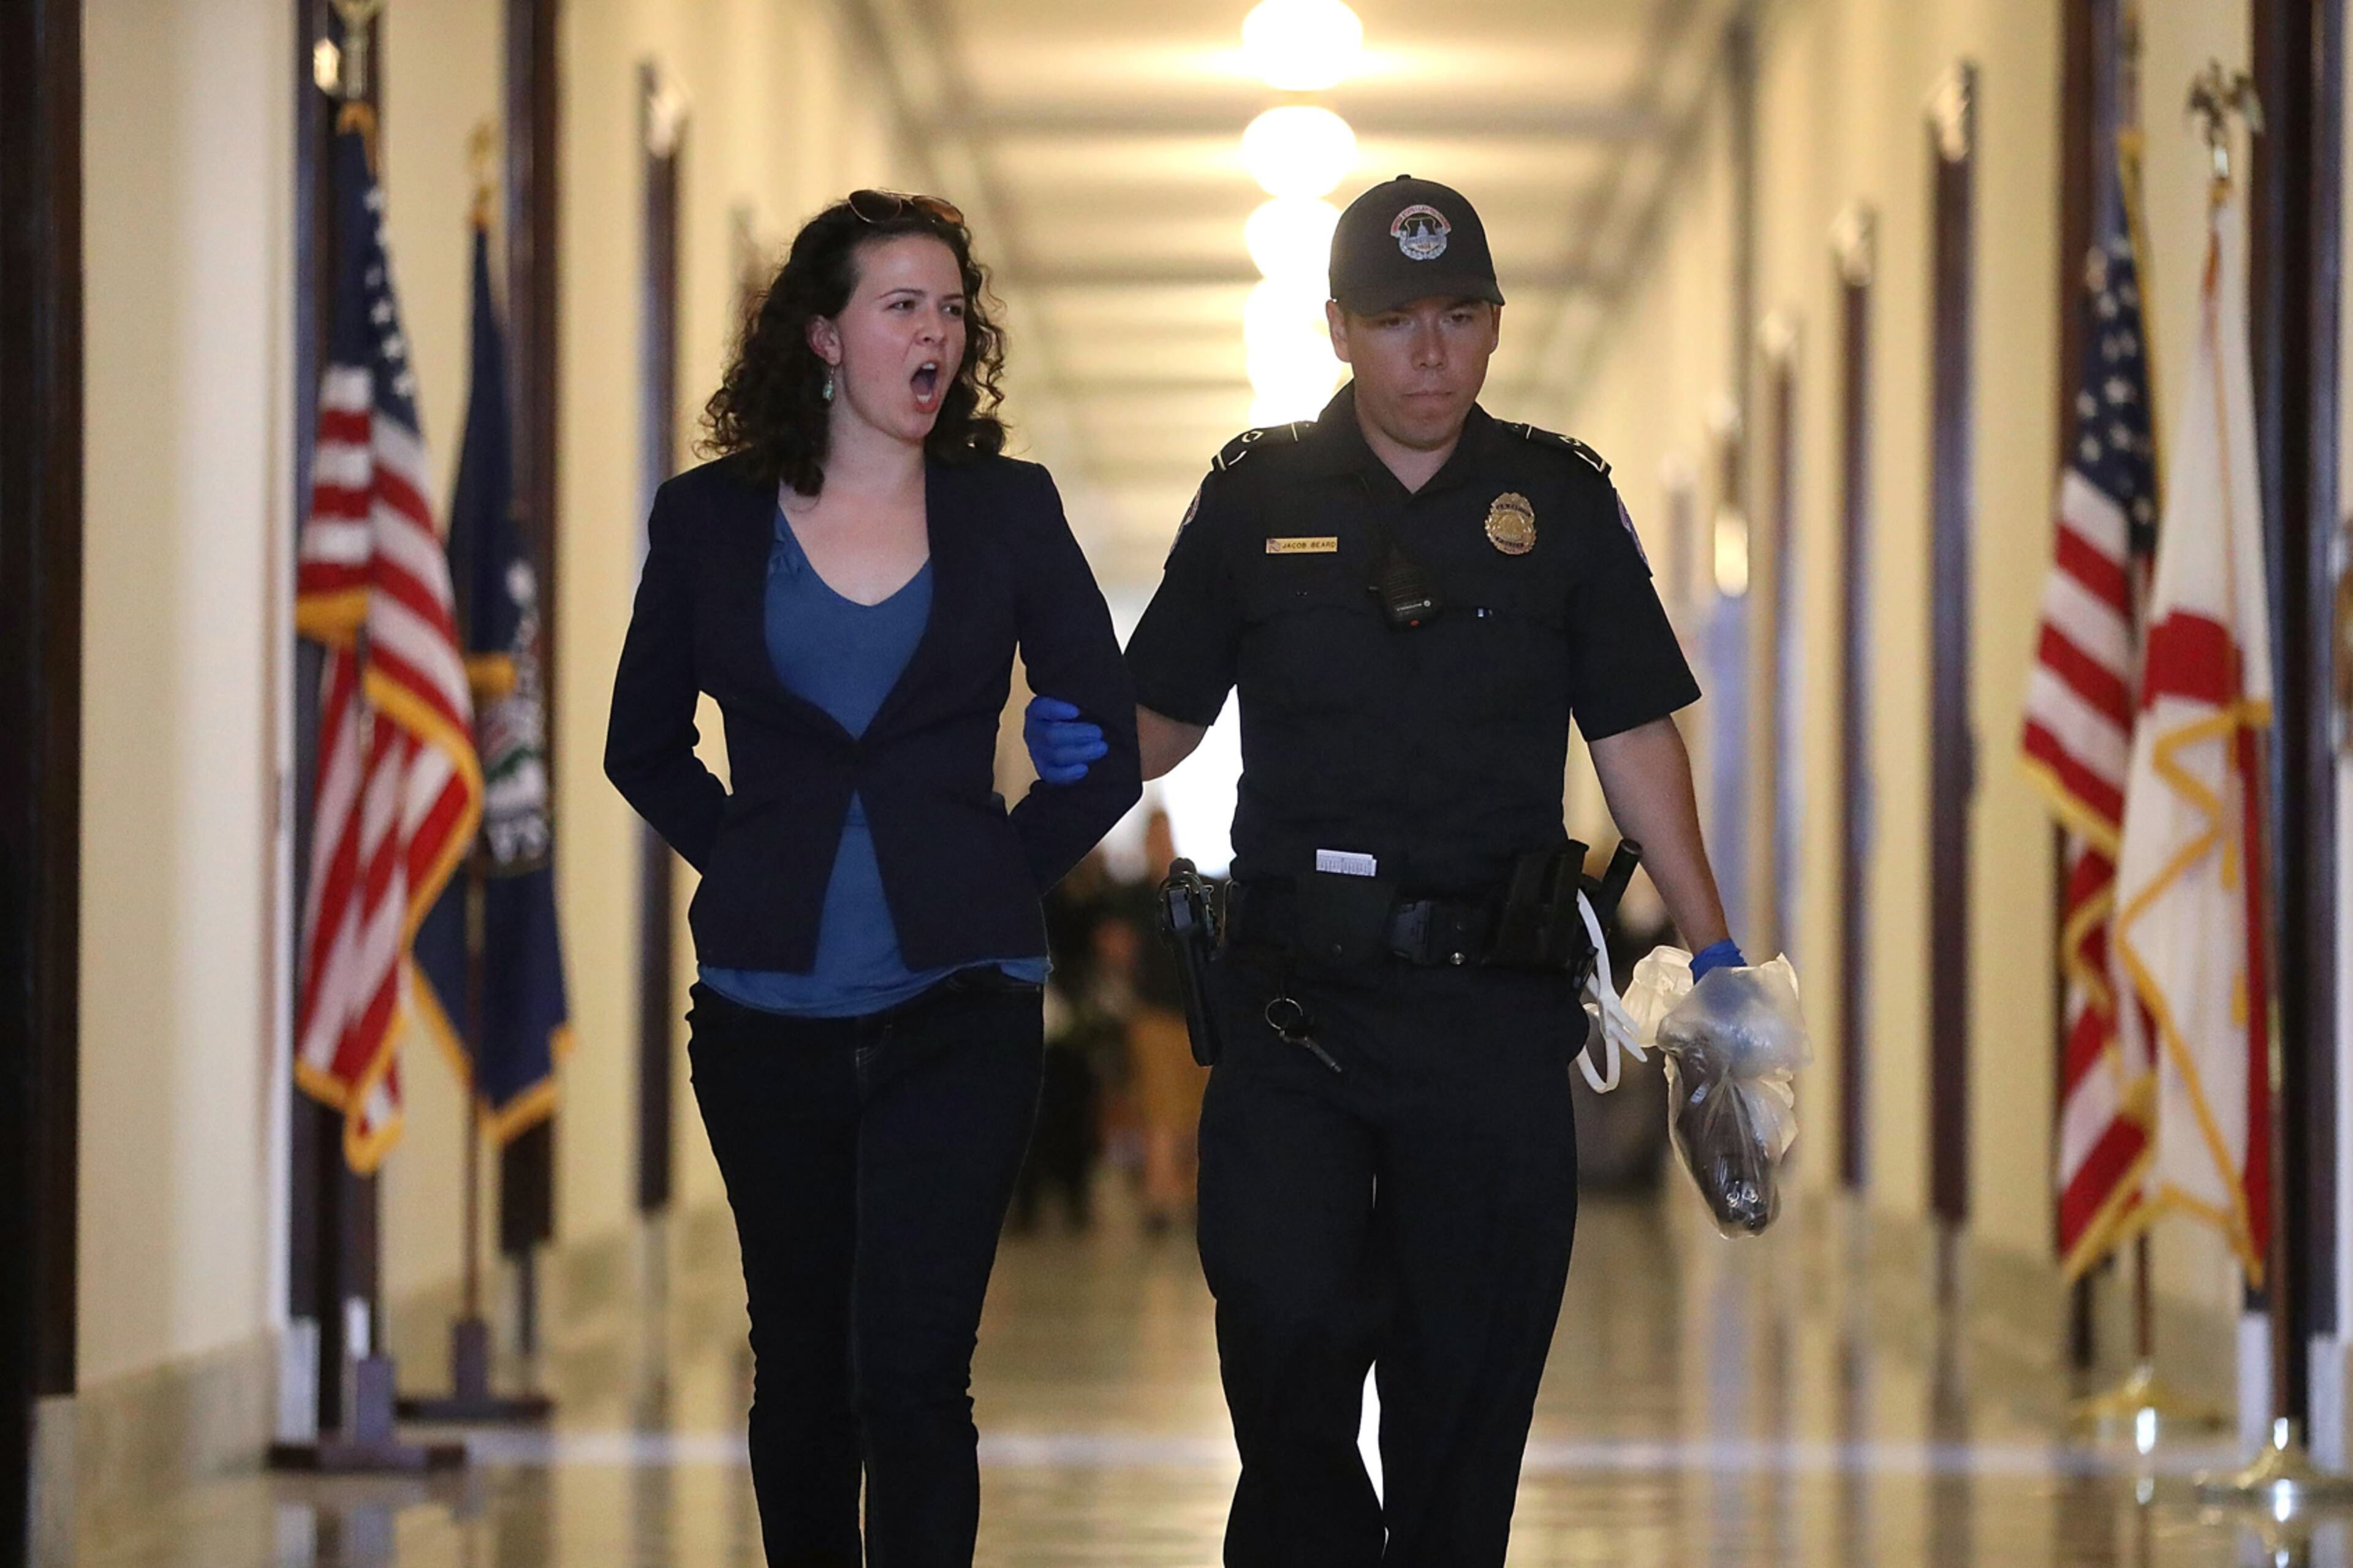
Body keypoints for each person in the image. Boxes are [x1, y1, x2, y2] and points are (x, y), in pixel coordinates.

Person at [1036, 175, 1749, 1565]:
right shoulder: (1255, 497)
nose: (1428, 350)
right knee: (1283, 1319)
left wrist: (1714, 958)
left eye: (1456, 316)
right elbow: (1160, 717)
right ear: (1337, 332)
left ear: (1492, 326)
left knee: (1465, 1385)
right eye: (1392, 319)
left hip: (1488, 1015)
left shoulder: (1558, 500)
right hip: (1296, 1005)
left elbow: (1628, 732)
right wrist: (1008, 818)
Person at [604, 189, 1139, 1568]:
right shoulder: (710, 519)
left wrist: (996, 872)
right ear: (826, 334)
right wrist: (755, 858)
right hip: (763, 1009)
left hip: (963, 1002)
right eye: (905, 304)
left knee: (914, 1375)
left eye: (954, 308)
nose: (939, 333)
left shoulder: (1005, 509)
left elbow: (1108, 748)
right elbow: (640, 745)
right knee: (801, 1376)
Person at [1123, 808, 1208, 1232]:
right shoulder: (1134, 894)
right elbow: (1115, 948)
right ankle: (1160, 1200)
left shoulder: (1190, 887)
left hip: (1189, 1011)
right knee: (1160, 1110)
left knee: (1193, 1110)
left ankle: (1191, 1195)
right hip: (1154, 1012)